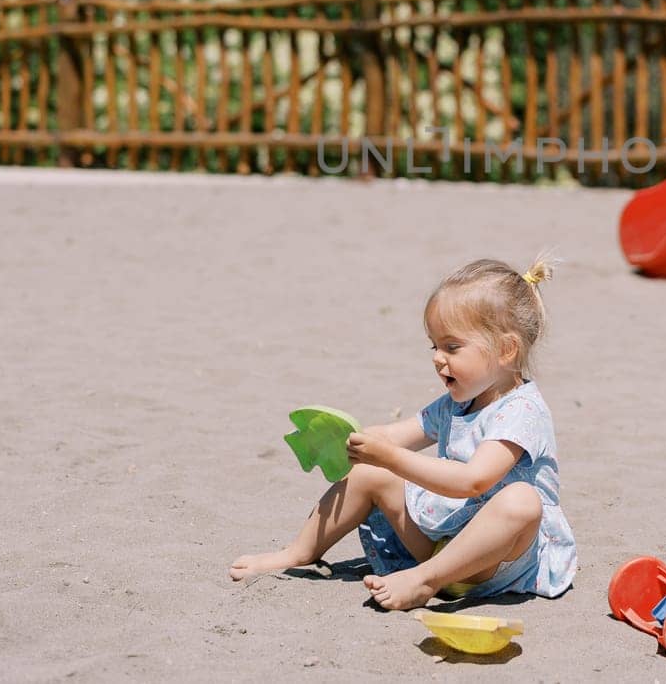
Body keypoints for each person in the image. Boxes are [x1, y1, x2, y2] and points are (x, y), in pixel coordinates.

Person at [228, 256, 578, 610]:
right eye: (434, 346)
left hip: (499, 560)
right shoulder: (456, 403)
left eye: (452, 347)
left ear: (506, 350)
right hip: (444, 538)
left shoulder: (522, 412)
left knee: (521, 500)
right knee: (370, 472)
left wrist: (392, 457)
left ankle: (424, 581)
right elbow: (394, 437)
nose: (438, 358)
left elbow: (474, 481)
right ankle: (298, 552)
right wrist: (351, 439)